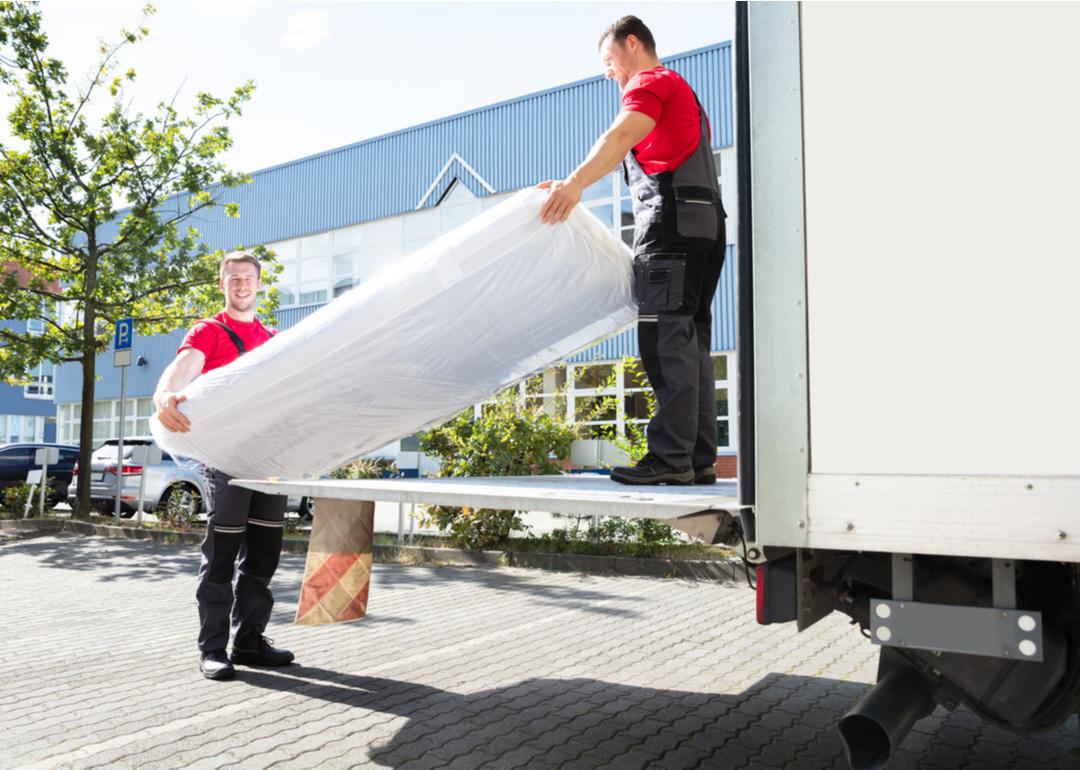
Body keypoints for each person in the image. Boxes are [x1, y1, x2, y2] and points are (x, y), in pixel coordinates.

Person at [540, 15, 726, 486]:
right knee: (690, 342)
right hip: (704, 226)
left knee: (665, 341)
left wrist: (575, 184)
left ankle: (670, 459)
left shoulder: (650, 82)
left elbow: (620, 135)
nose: (609, 73)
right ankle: (697, 458)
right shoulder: (682, 92)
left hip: (671, 228)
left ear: (633, 43)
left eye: (609, 60)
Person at [154, 250, 295, 680]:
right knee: (222, 557)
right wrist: (164, 396)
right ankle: (213, 648)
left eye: (248, 277)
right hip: (227, 462)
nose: (240, 284)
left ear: (258, 283)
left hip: (268, 462)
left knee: (264, 557)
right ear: (222, 285)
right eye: (233, 278)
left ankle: (249, 640)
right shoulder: (209, 332)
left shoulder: (273, 338)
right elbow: (181, 371)